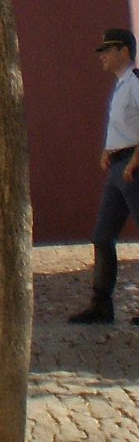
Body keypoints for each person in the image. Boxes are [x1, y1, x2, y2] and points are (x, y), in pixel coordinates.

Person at [69, 25, 139, 324]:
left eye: (108, 51)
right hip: (118, 165)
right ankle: (101, 304)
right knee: (103, 235)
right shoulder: (122, 84)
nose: (103, 57)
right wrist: (108, 151)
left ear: (124, 50)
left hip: (133, 166)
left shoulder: (135, 82)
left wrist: (135, 159)